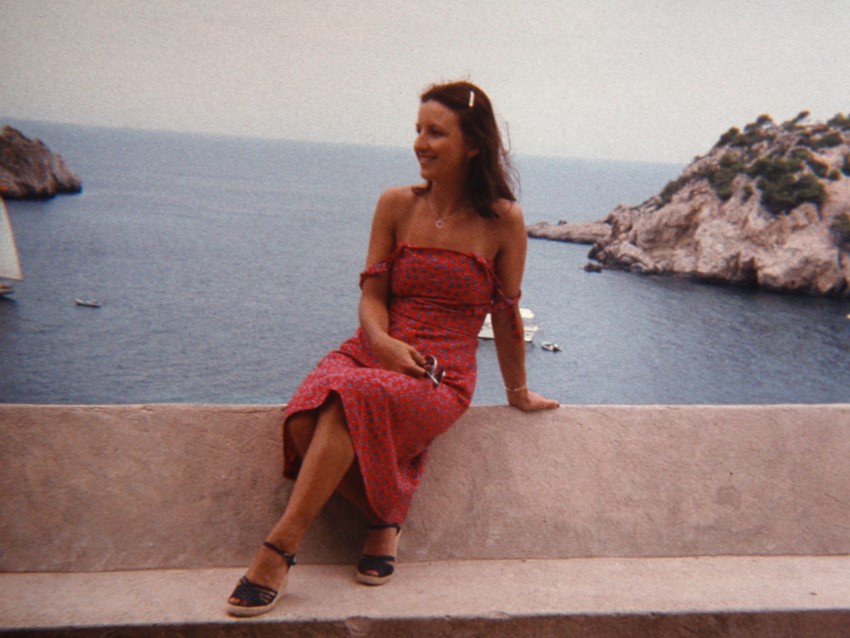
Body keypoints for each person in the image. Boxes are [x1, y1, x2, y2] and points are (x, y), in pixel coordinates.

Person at [226, 80, 559, 617]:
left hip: (439, 373)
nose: (420, 143)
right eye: (418, 130)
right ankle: (386, 517)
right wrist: (381, 344)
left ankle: (279, 548)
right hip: (371, 348)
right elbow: (372, 296)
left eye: (436, 133)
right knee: (304, 418)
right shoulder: (396, 205)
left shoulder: (504, 221)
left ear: (473, 145)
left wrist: (518, 392)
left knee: (349, 398)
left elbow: (505, 315)